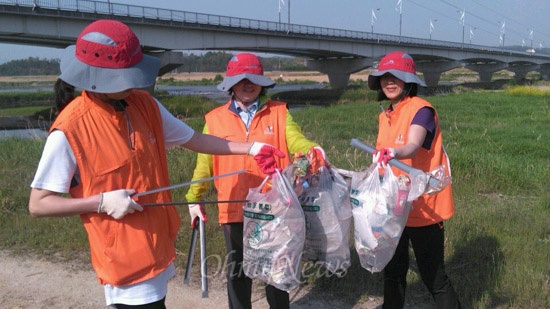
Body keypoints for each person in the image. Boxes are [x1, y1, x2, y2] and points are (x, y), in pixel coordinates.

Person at [28, 20, 284, 308]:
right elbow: (39, 204)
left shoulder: (143, 104)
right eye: (125, 77)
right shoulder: (70, 131)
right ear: (98, 78)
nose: (134, 82)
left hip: (158, 248)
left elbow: (195, 139)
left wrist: (251, 148)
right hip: (124, 264)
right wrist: (100, 201)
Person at [184, 52, 326, 309]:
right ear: (230, 83)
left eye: (252, 79)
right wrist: (194, 198)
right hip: (233, 208)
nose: (247, 84)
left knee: (275, 272)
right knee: (238, 273)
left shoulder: (279, 112)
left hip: (274, 209)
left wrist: (312, 150)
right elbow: (203, 163)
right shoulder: (214, 119)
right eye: (241, 80)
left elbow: (297, 140)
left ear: (262, 82)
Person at [367, 51, 461, 308]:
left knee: (434, 278)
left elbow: (412, 145)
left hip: (423, 208)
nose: (389, 81)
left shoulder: (422, 110)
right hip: (393, 208)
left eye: (395, 76)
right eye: (385, 76)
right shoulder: (385, 115)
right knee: (393, 272)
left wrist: (395, 152)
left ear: (408, 80)